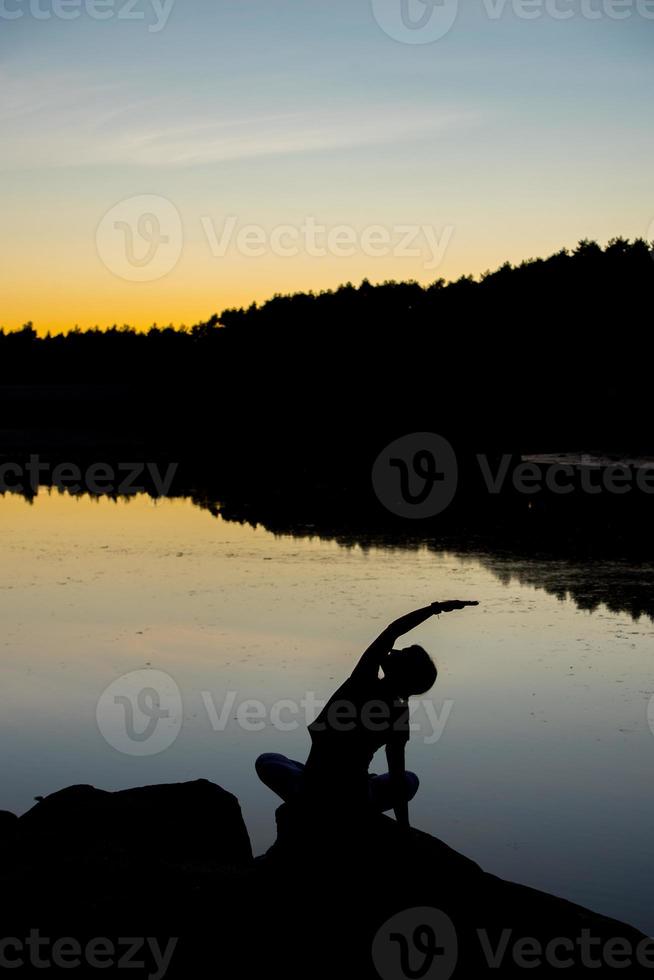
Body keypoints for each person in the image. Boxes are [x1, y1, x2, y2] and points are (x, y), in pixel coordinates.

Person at [256, 599, 478, 830]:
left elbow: (392, 631)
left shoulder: (361, 682)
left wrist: (434, 609)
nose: (394, 650)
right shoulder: (399, 715)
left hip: (313, 792)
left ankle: (325, 796)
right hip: (356, 799)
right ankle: (356, 790)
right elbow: (398, 775)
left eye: (403, 653)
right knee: (410, 780)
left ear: (404, 672)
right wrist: (404, 826)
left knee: (268, 760)